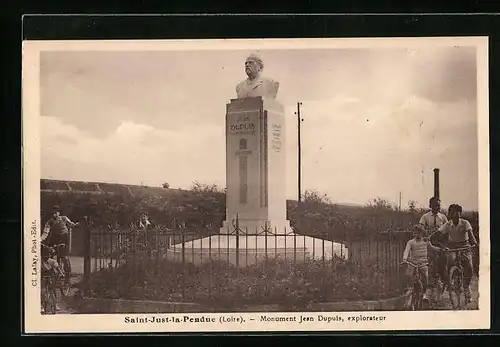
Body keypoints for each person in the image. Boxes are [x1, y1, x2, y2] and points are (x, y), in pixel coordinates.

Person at [434, 203, 478, 303]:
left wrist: (474, 243)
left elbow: (471, 236)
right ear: (450, 214)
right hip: (452, 246)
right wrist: (433, 239)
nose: (455, 215)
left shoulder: (465, 223)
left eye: (457, 213)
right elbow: (437, 234)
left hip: (465, 246)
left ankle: (466, 288)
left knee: (469, 267)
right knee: (449, 262)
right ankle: (450, 281)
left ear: (460, 213)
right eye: (452, 213)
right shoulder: (448, 224)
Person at [402, 224, 441, 304]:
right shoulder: (410, 242)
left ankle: (424, 293)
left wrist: (439, 249)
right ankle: (409, 288)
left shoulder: (425, 241)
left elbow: (432, 247)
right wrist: (405, 258)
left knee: (426, 276)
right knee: (408, 274)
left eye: (419, 233)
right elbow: (406, 250)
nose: (417, 235)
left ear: (422, 233)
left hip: (423, 263)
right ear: (413, 233)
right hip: (413, 262)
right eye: (415, 233)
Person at [420, 197, 448, 296]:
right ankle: (430, 283)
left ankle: (443, 279)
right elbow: (421, 228)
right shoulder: (425, 217)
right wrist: (426, 232)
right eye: (435, 205)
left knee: (444, 259)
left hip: (441, 242)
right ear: (430, 206)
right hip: (429, 241)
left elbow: (447, 230)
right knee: (431, 261)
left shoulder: (443, 217)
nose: (437, 207)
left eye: (439, 205)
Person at [41, 205, 79, 281]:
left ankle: (67, 276)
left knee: (64, 257)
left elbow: (71, 224)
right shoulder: (49, 222)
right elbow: (46, 232)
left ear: (59, 212)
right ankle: (53, 273)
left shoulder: (64, 218)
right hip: (55, 239)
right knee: (48, 253)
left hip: (64, 238)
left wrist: (75, 224)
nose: (54, 214)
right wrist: (40, 239)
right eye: (53, 213)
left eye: (56, 212)